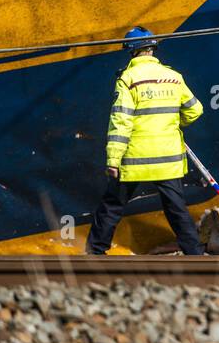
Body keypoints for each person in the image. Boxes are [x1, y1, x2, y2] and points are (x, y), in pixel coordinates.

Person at [85, 27, 205, 255]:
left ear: (131, 52)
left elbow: (121, 122)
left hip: (134, 160)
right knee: (176, 208)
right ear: (152, 49)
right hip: (167, 160)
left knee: (112, 206)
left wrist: (113, 159)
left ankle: (95, 253)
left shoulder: (128, 79)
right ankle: (195, 254)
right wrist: (173, 123)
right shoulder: (174, 77)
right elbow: (195, 110)